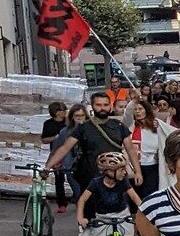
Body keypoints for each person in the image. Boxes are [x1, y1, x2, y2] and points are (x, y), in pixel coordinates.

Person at [46, 91, 131, 222]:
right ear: (92, 106)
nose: (102, 108)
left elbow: (130, 149)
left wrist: (138, 172)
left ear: (110, 106)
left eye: (105, 104)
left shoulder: (119, 126)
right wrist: (48, 167)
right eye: (98, 105)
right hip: (91, 176)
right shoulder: (83, 128)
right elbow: (65, 148)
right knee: (91, 215)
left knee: (120, 212)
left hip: (116, 176)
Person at [130, 95, 167, 196]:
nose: (137, 111)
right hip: (134, 166)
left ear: (147, 110)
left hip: (153, 166)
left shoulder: (156, 127)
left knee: (150, 194)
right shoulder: (131, 126)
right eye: (135, 109)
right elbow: (127, 113)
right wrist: (135, 100)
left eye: (140, 109)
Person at [40, 100, 73, 203]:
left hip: (70, 152)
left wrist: (68, 118)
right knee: (59, 178)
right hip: (56, 153)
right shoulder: (48, 124)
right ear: (57, 112)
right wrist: (56, 138)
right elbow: (44, 139)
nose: (65, 112)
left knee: (72, 177)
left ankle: (77, 197)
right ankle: (61, 202)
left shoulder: (68, 122)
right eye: (63, 110)